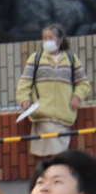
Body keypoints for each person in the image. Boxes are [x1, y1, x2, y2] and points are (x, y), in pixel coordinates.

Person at [16, 23, 90, 163]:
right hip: (43, 113)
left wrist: (77, 96)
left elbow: (83, 82)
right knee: (55, 154)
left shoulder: (71, 59)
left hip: (64, 114)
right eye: (44, 38)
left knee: (56, 156)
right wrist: (24, 99)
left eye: (50, 37)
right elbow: (24, 82)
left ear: (60, 40)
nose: (46, 41)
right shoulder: (36, 58)